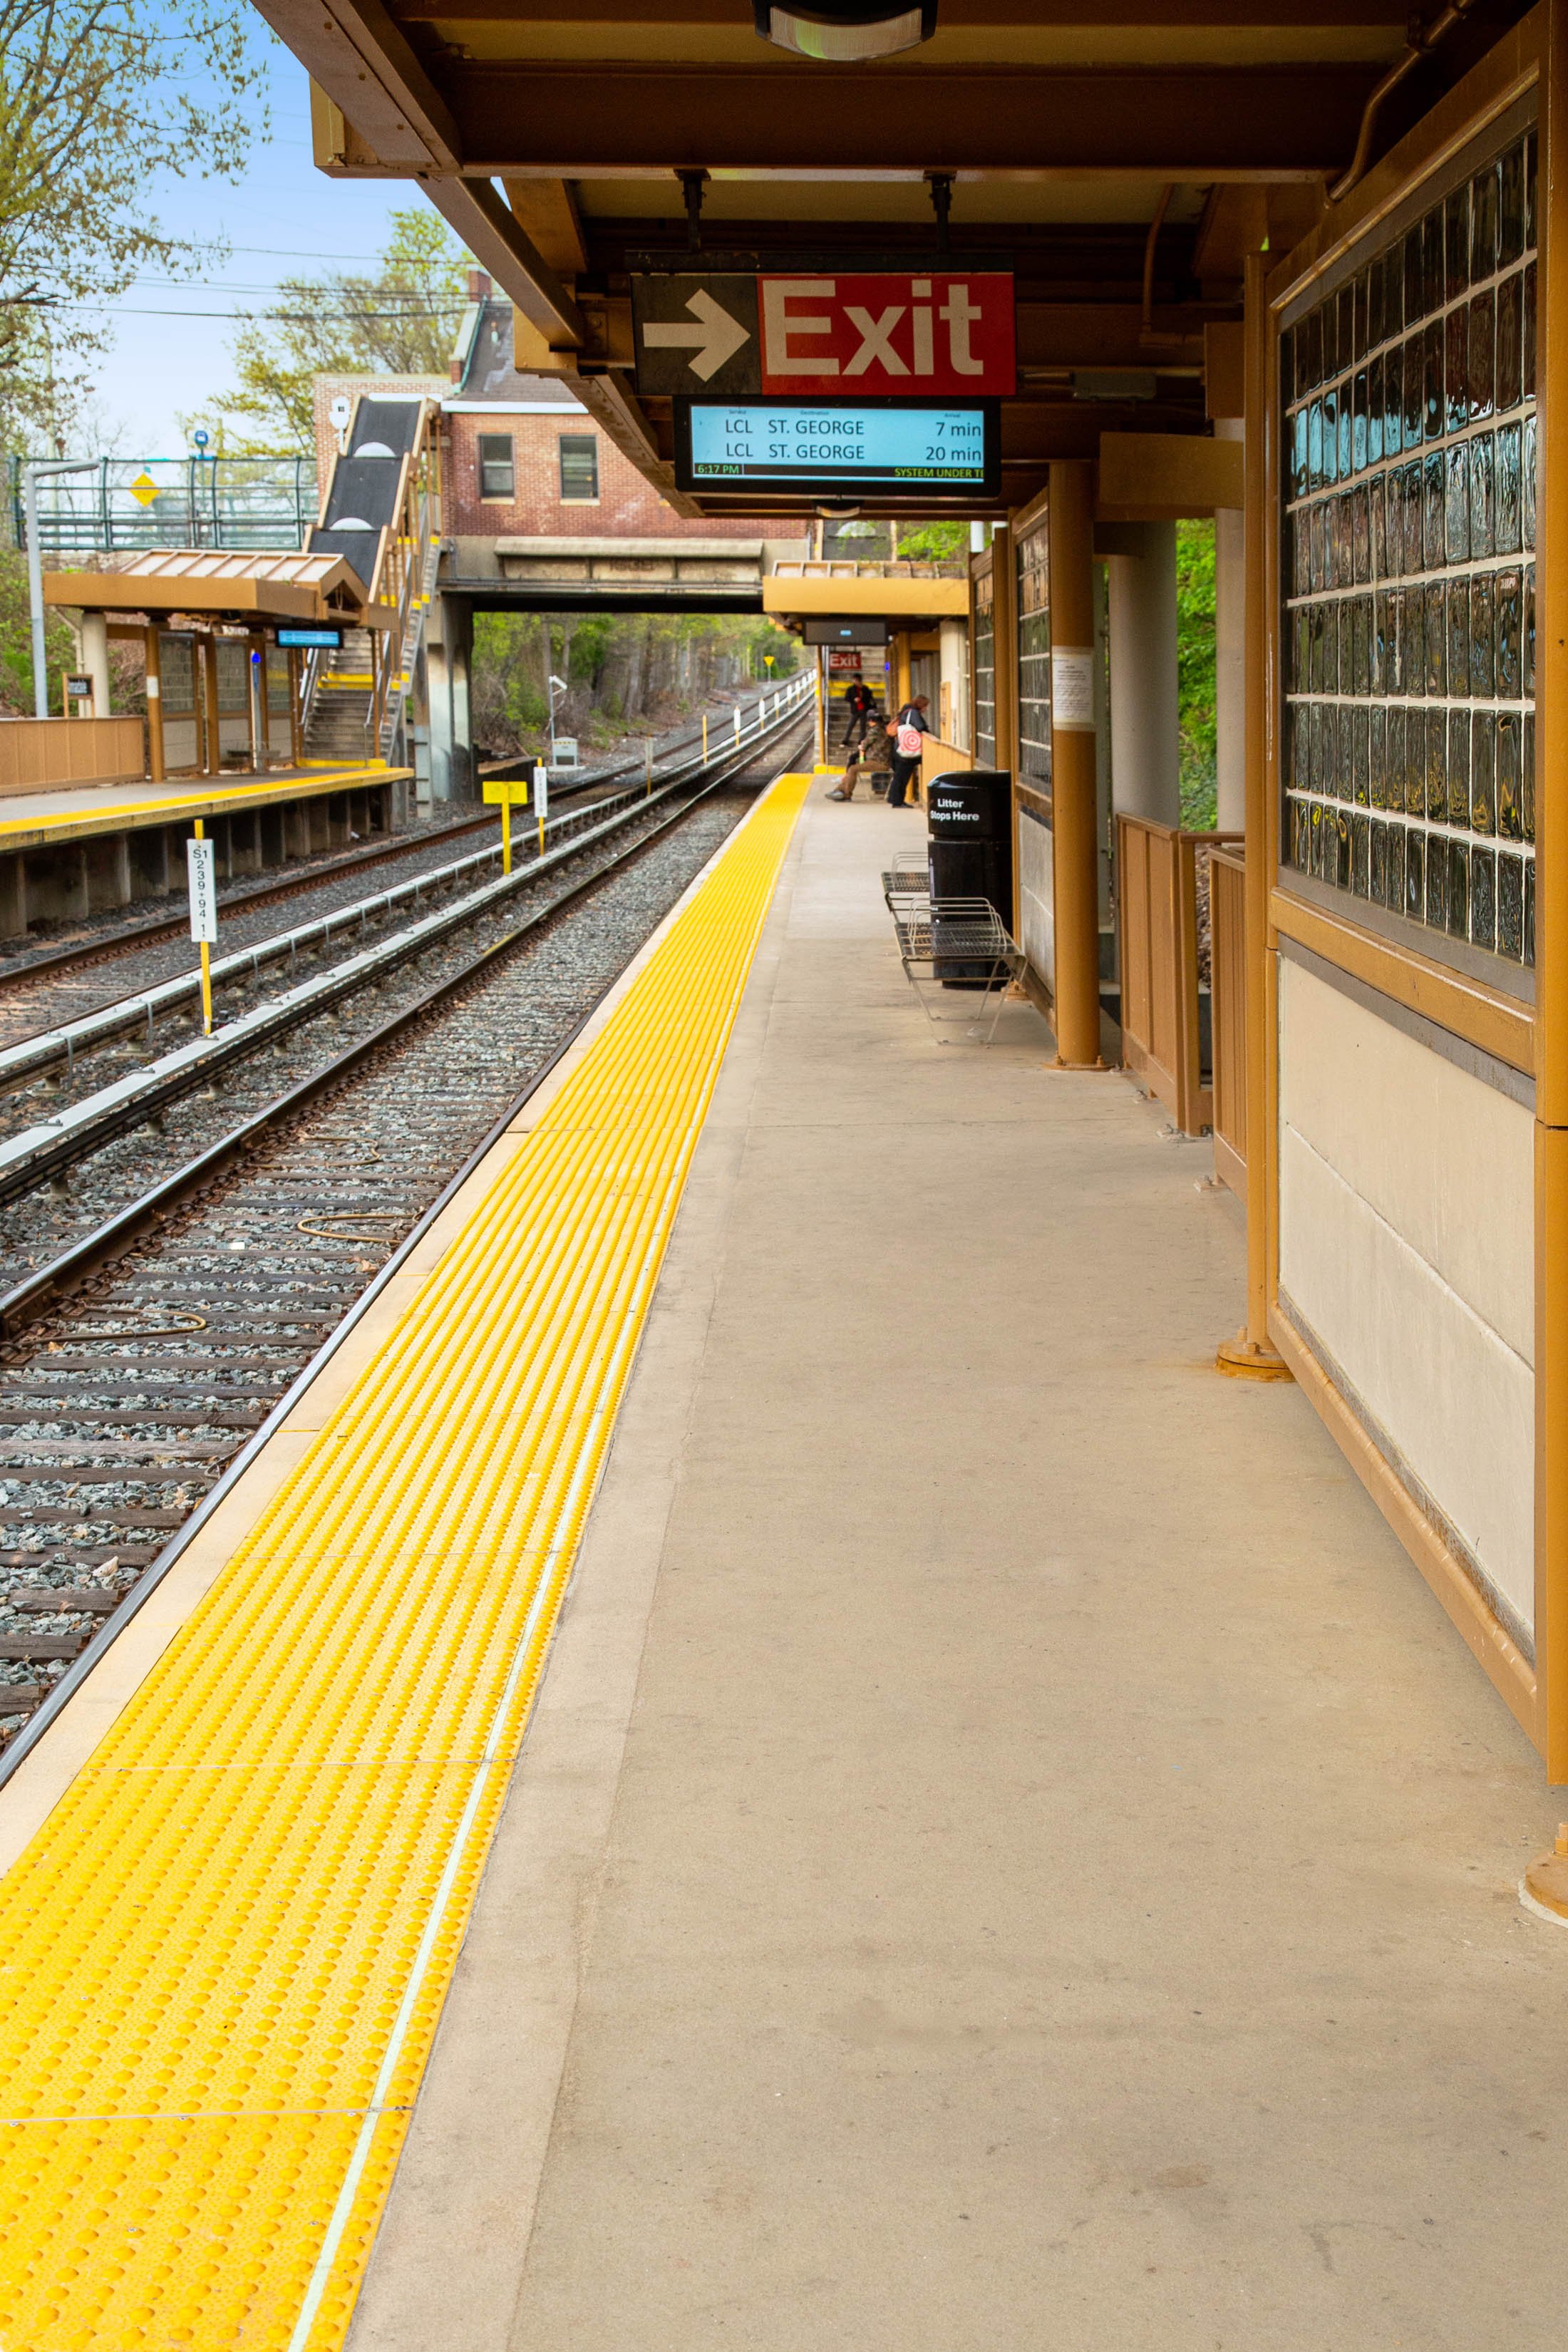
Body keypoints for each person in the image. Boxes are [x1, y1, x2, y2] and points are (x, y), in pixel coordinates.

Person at [884, 693, 930, 809]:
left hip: (900, 747)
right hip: (906, 750)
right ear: (921, 705)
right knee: (902, 776)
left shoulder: (906, 711)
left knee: (899, 776)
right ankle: (897, 801)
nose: (926, 709)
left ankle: (896, 800)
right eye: (925, 706)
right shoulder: (913, 713)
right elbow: (920, 726)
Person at [825, 729, 889, 801]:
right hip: (881, 762)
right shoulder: (885, 733)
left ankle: (845, 794)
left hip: (879, 762)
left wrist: (862, 745)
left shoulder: (875, 731)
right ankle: (840, 790)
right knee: (853, 768)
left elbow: (864, 745)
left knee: (853, 769)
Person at [840, 678, 876, 749]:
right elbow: (846, 698)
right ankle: (845, 741)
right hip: (855, 710)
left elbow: (870, 698)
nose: (856, 682)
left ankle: (861, 741)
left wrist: (863, 698)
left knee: (863, 727)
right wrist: (854, 699)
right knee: (850, 726)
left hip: (864, 710)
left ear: (860, 681)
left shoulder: (865, 689)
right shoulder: (851, 689)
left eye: (857, 681)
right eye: (855, 681)